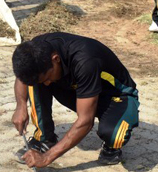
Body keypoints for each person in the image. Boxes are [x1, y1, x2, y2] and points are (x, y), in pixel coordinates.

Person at [12, 32, 140, 168]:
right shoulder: (37, 48)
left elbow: (86, 121)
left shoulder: (85, 61)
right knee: (37, 81)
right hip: (80, 88)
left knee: (114, 135)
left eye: (49, 77)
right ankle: (44, 138)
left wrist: (47, 158)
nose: (48, 84)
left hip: (116, 96)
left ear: (56, 59)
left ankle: (111, 146)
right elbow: (24, 75)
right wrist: (20, 106)